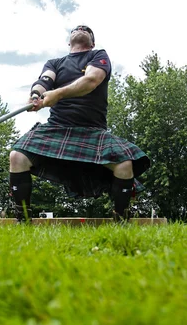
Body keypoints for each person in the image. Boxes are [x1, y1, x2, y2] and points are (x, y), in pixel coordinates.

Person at [9, 25, 150, 222]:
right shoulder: (55, 63)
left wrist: (58, 93)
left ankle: (121, 219)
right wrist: (36, 96)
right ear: (69, 42)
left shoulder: (98, 55)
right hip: (57, 128)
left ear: (92, 42)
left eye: (87, 30)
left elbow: (91, 80)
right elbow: (43, 81)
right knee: (17, 156)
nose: (81, 28)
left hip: (93, 131)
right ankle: (22, 219)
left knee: (125, 164)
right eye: (77, 28)